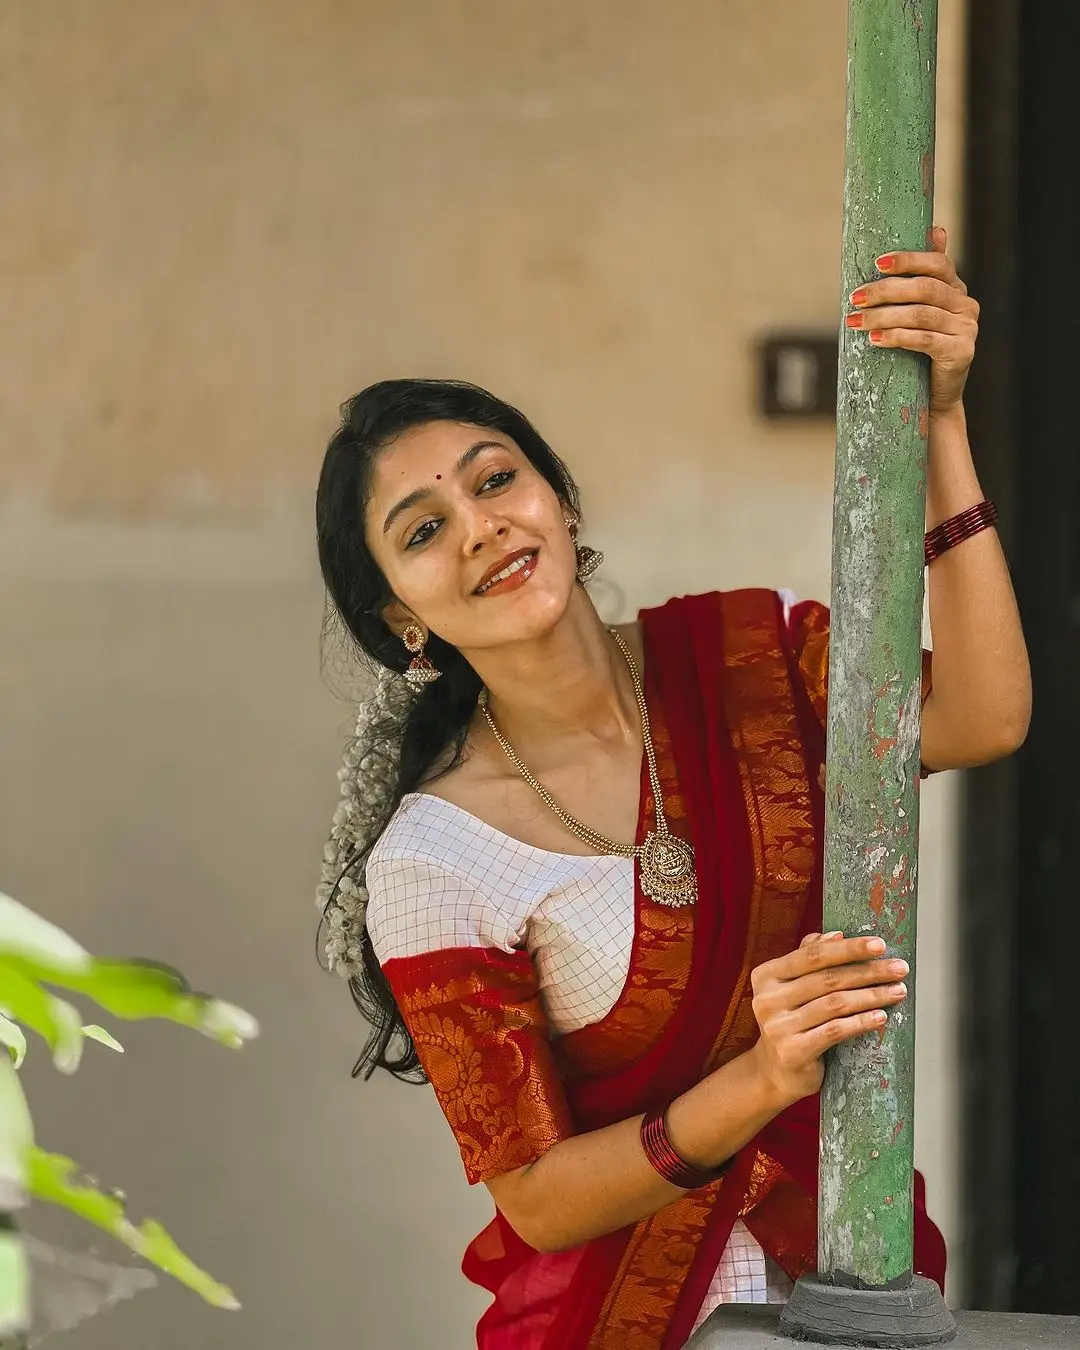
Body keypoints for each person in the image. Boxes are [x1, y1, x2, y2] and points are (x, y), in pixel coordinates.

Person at [313, 228, 1031, 1349]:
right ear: (405, 619)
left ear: (560, 499)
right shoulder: (437, 858)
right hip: (619, 1324)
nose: (482, 528)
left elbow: (981, 715)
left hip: (845, 1281)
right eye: (423, 532)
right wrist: (765, 1076)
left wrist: (939, 421)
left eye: (497, 479)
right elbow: (539, 1199)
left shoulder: (746, 660)